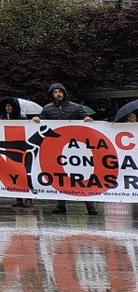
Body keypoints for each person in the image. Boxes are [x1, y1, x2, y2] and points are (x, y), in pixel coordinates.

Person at [34, 83, 97, 216]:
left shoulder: (76, 107)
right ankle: (61, 205)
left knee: (81, 175)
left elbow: (84, 117)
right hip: (57, 148)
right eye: (55, 92)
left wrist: (86, 118)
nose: (58, 94)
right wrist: (36, 120)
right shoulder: (47, 109)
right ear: (52, 94)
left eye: (60, 92)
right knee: (60, 175)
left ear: (64, 93)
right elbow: (42, 122)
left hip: (76, 148)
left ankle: (90, 206)